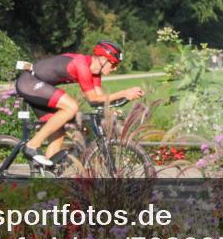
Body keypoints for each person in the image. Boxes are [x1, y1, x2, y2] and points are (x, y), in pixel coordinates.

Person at [15, 41, 144, 167]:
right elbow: (93, 97)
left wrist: (121, 102)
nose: (115, 68)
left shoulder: (95, 73)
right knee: (72, 107)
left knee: (58, 130)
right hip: (29, 82)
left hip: (40, 87)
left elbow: (98, 100)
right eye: (114, 64)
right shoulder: (81, 64)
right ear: (103, 59)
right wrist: (124, 92)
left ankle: (48, 176)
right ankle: (32, 146)